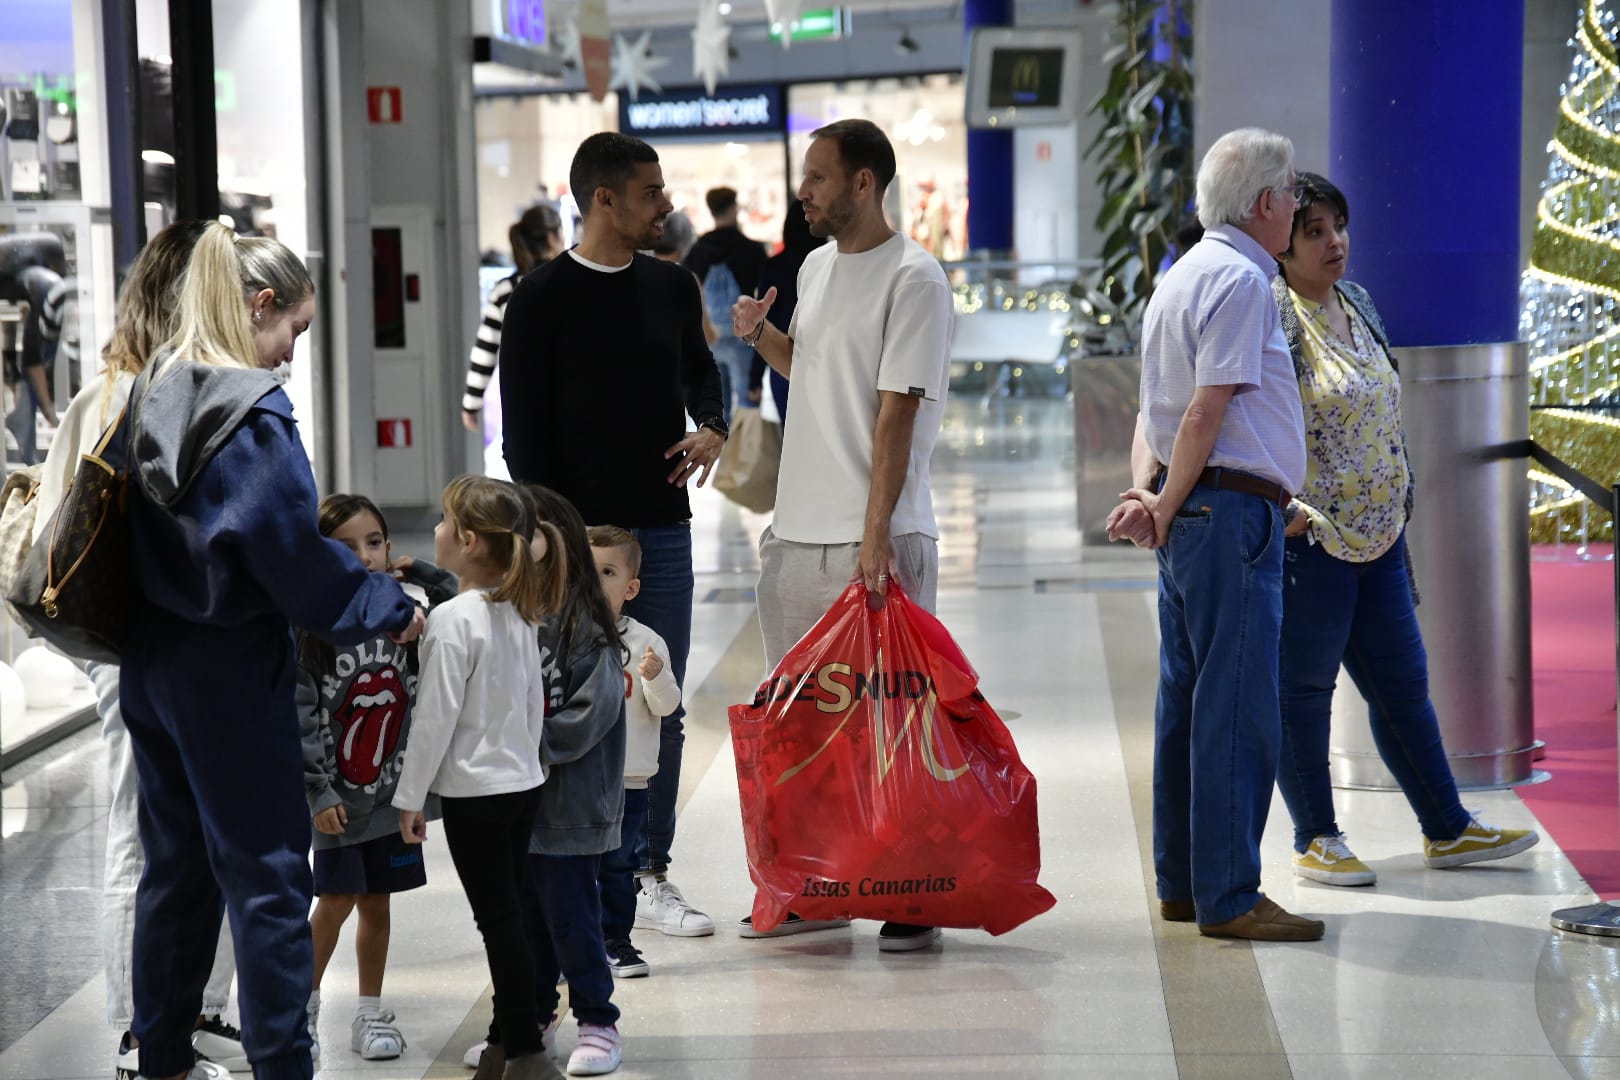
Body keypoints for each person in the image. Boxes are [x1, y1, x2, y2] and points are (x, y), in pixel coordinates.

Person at [120, 221, 425, 1080]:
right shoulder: (252, 414)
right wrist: (385, 605)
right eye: (294, 328)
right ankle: (284, 1066)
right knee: (267, 880)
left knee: (175, 872)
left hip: (152, 662)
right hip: (229, 669)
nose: (292, 352)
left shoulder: (155, 388)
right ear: (260, 305)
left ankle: (163, 1057)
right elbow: (291, 555)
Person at [1269, 172, 1540, 886]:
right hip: (1314, 538)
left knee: (1403, 686)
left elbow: (1385, 402)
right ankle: (1315, 837)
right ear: (1283, 247)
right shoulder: (1272, 317)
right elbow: (1256, 422)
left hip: (1382, 535)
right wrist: (1283, 508)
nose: (1336, 243)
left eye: (1339, 227)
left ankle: (1447, 828)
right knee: (1304, 690)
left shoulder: (1357, 301)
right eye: (1315, 232)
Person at [729, 118, 955, 952]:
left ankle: (909, 890)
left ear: (865, 183)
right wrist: (762, 338)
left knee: (892, 725)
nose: (804, 192)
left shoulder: (916, 279)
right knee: (800, 726)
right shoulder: (815, 268)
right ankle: (809, 886)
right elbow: (818, 374)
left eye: (818, 178)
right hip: (797, 533)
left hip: (877, 537)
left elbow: (895, 414)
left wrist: (875, 539)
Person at [29, 221, 244, 1080]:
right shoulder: (133, 394)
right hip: (141, 650)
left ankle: (184, 1012)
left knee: (175, 836)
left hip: (142, 648)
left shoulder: (120, 389)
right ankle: (139, 1024)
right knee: (147, 835)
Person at [499, 131, 725, 941]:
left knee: (656, 697)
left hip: (659, 531)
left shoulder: (669, 287)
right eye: (651, 191)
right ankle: (574, 875)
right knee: (563, 701)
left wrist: (713, 425)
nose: (665, 204)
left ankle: (646, 873)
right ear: (604, 199)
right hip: (570, 544)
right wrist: (547, 543)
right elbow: (521, 437)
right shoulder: (538, 298)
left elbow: (702, 371)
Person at [1103, 128, 1322, 943]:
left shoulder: (1183, 275)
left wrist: (1150, 491)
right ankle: (1229, 893)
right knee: (1236, 706)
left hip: (1197, 510)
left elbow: (1151, 414)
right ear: (1265, 203)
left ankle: (1184, 883)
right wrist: (1163, 504)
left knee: (1188, 700)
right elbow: (1204, 409)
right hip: (1227, 516)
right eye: (1292, 191)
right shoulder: (1240, 280)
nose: (1299, 204)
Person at [392, 475, 561, 1080]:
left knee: (500, 922)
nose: (434, 531)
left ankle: (525, 1050)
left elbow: (433, 720)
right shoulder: (518, 610)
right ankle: (501, 1042)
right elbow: (531, 704)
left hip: (476, 797)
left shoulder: (453, 619)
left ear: (466, 540)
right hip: (521, 786)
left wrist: (409, 799)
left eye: (442, 522)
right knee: (513, 910)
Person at [298, 494, 452, 1065]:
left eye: (374, 543)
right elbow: (303, 713)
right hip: (339, 799)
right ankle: (303, 1013)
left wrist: (425, 572)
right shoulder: (314, 624)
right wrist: (318, 789)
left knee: (378, 902)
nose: (365, 558)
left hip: (390, 795)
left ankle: (369, 1011)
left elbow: (465, 606)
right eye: (345, 549)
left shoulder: (407, 614)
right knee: (334, 900)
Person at [518, 484, 630, 1076]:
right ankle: (535, 1021)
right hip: (518, 807)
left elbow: (592, 714)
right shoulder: (507, 615)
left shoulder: (587, 626)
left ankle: (598, 1021)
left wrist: (522, 747)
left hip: (570, 806)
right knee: (528, 923)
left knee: (571, 920)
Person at [588, 525, 683, 978]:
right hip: (578, 779)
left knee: (619, 867)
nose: (594, 582)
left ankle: (616, 941)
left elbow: (667, 707)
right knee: (574, 869)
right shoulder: (563, 637)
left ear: (631, 587)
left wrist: (655, 676)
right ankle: (572, 942)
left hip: (628, 781)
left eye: (607, 572)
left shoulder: (646, 642)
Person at [461, 205, 564, 434]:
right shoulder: (573, 283)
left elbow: (485, 350)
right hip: (573, 402)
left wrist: (471, 404)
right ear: (551, 238)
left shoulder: (505, 291)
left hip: (524, 406)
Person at [684, 186, 767, 420]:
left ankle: (725, 454)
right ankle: (748, 454)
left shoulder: (697, 250)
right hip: (745, 333)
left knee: (718, 405)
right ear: (733, 208)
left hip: (711, 335)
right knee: (747, 404)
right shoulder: (752, 249)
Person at [749, 200, 823, 427]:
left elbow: (763, 323)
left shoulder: (774, 267)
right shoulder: (830, 265)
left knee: (791, 441)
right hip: (823, 363)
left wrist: (754, 379)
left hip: (782, 360)